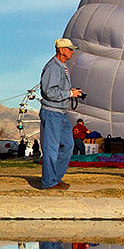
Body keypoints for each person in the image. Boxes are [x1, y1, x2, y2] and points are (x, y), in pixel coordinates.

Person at [38, 38, 84, 190]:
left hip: (61, 113)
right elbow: (49, 91)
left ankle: (55, 178)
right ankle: (49, 182)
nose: (72, 52)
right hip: (52, 113)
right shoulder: (53, 67)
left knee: (68, 145)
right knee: (51, 148)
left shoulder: (63, 67)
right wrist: (70, 93)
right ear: (61, 50)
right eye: (70, 49)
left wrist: (71, 93)